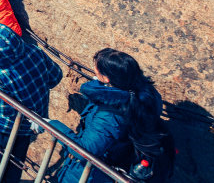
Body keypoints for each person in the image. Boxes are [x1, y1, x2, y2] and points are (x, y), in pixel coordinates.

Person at [47, 50, 167, 183]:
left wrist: (51, 125)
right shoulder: (146, 96)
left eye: (96, 68)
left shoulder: (110, 114)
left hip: (89, 174)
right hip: (117, 164)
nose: (94, 70)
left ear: (106, 78)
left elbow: (85, 151)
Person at [0, 23, 63, 183]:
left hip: (2, 127)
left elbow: (4, 109)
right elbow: (56, 76)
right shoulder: (35, 51)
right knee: (15, 163)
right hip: (30, 124)